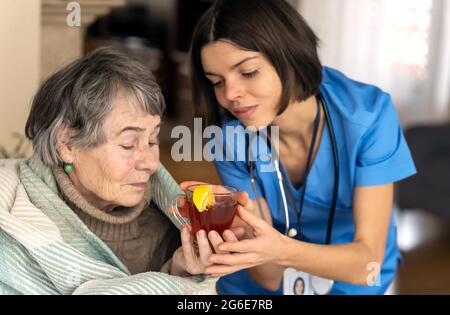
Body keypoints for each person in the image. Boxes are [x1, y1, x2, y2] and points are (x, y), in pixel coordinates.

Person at [188, 0, 417, 294]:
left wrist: (278, 249)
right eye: (217, 82)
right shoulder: (228, 136)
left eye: (248, 72)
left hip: (351, 274)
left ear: (290, 56)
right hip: (268, 278)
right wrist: (244, 231)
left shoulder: (369, 117)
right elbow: (269, 278)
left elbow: (366, 264)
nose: (230, 95)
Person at [0, 47, 232, 295]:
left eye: (152, 141)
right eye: (128, 144)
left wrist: (178, 273)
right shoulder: (13, 227)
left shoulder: (175, 231)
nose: (151, 163)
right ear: (66, 144)